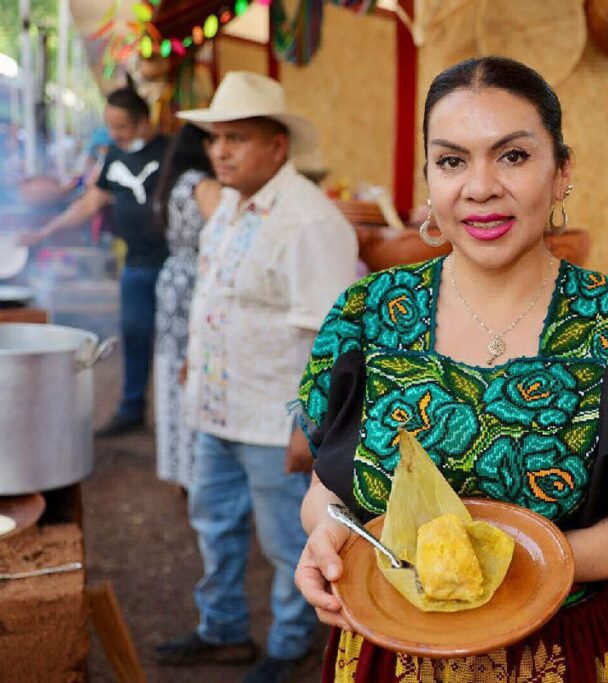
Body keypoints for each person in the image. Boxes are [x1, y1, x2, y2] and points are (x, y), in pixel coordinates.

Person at [293, 56, 608, 681]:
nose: (479, 188)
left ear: (561, 173)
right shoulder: (365, 315)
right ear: (428, 178)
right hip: (391, 652)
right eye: (452, 161)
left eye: (512, 156)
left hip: (566, 653)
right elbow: (325, 499)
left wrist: (509, 571)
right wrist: (331, 541)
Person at [153, 72, 358, 683]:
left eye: (237, 139)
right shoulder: (231, 207)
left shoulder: (310, 222)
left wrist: (310, 425)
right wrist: (197, 360)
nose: (220, 151)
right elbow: (219, 296)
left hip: (275, 419)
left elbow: (334, 339)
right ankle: (223, 631)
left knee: (288, 542)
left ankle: (292, 645)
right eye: (216, 139)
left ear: (278, 147)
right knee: (213, 523)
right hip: (218, 405)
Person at [21, 81, 169, 436]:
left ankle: (177, 420)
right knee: (134, 334)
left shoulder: (171, 152)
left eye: (120, 127)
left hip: (172, 264)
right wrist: (45, 233)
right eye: (110, 126)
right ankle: (132, 408)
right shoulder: (115, 157)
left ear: (144, 123)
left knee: (175, 343)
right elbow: (90, 203)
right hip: (135, 263)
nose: (113, 134)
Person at [152, 123, 221, 491]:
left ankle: (180, 469)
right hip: (195, 281)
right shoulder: (203, 185)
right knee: (193, 373)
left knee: (172, 372)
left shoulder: (172, 181)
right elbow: (225, 231)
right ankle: (197, 474)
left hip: (172, 279)